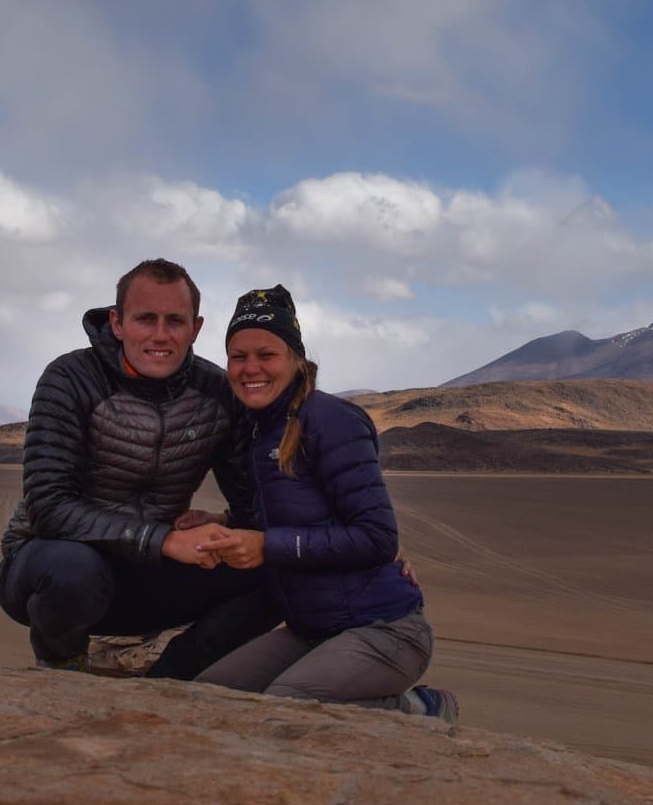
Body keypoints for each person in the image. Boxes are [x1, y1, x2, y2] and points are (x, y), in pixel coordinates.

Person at [0, 259, 279, 678]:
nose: (161, 335)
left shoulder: (216, 392)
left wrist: (352, 533)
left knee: (277, 568)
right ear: (117, 323)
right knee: (74, 570)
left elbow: (257, 503)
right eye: (146, 319)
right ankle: (63, 670)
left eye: (175, 321)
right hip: (50, 570)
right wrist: (164, 540)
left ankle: (169, 680)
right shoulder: (70, 378)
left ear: (196, 329)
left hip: (149, 577)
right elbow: (49, 507)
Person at [194, 285, 457, 722]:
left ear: (295, 358)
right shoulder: (261, 430)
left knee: (287, 707)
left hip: (385, 630)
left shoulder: (330, 421)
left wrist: (267, 546)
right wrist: (220, 522)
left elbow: (376, 537)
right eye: (238, 356)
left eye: (266, 354)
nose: (250, 368)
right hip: (314, 631)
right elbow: (292, 515)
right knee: (207, 698)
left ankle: (419, 709)